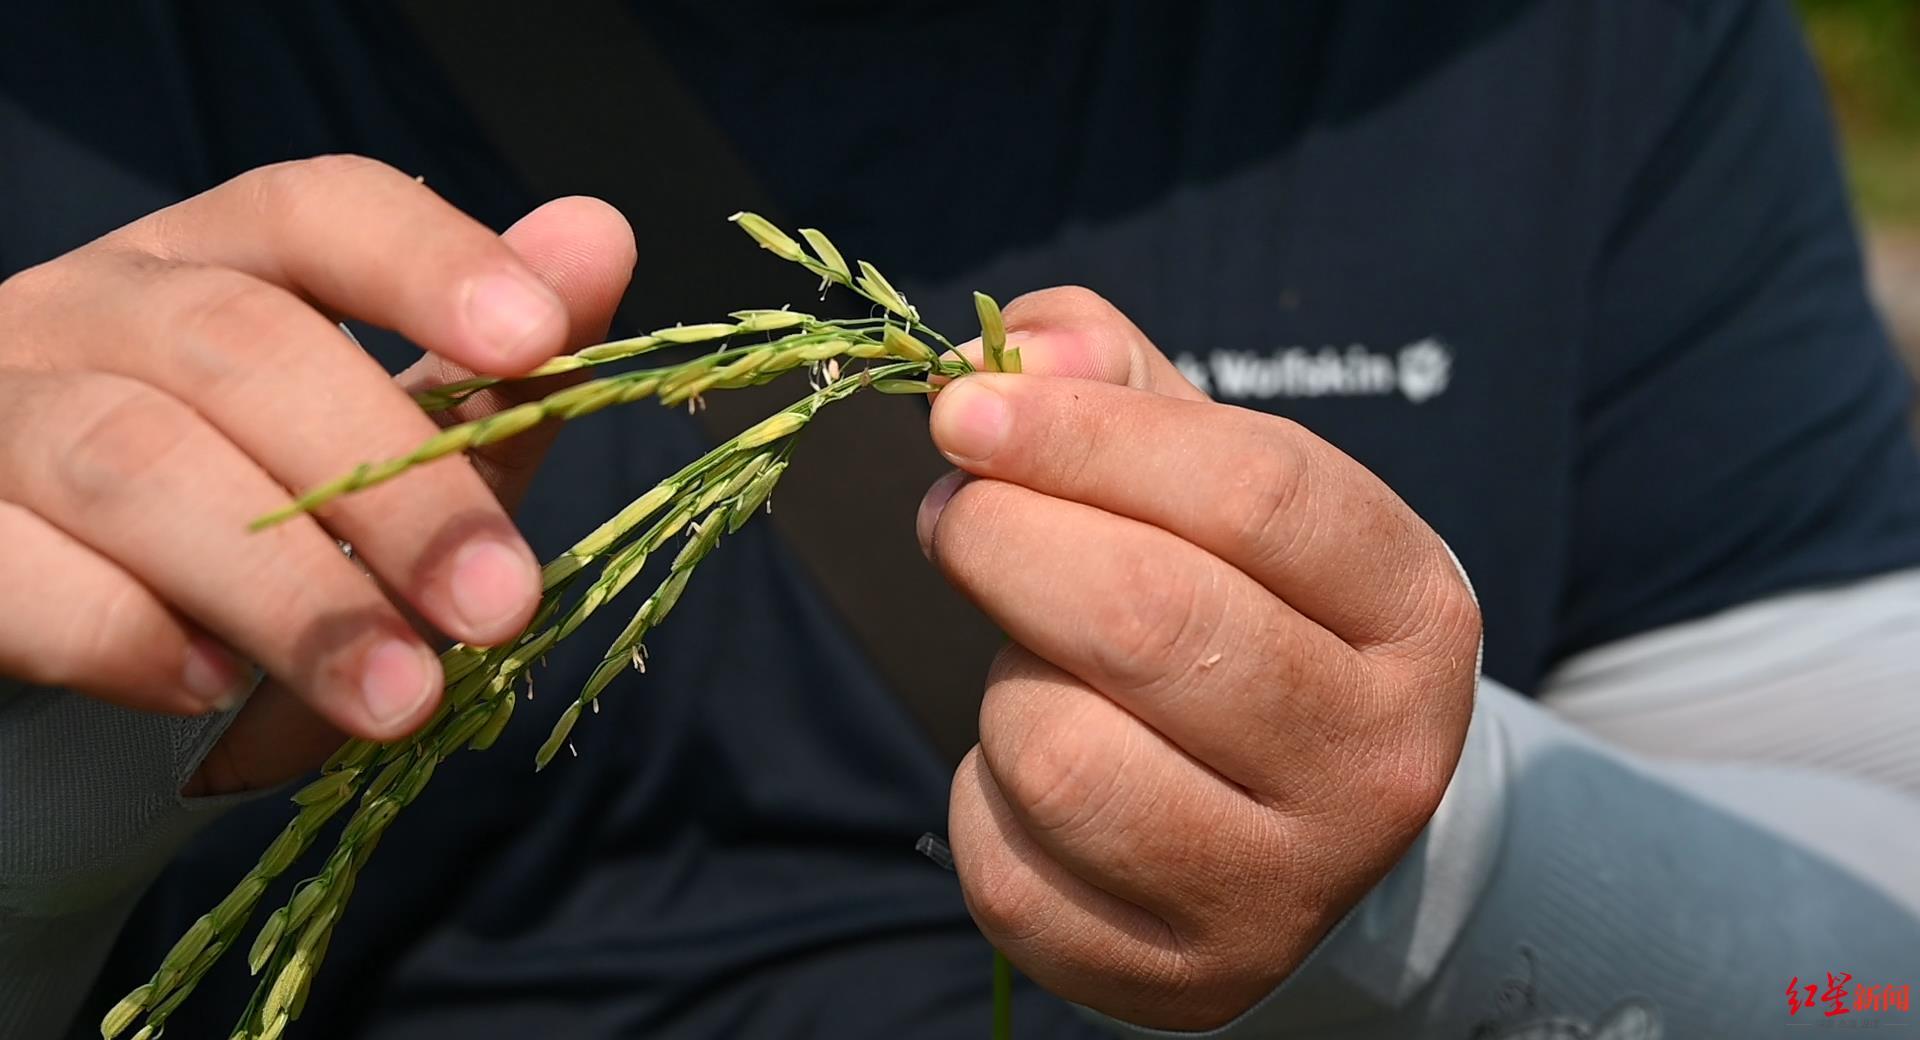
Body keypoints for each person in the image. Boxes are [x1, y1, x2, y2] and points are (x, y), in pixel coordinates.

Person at [3, 2, 1918, 1038]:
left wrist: (1439, 860)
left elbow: (1878, 971)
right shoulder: (77, 73)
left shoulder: (1566, 50)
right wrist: (36, 827)